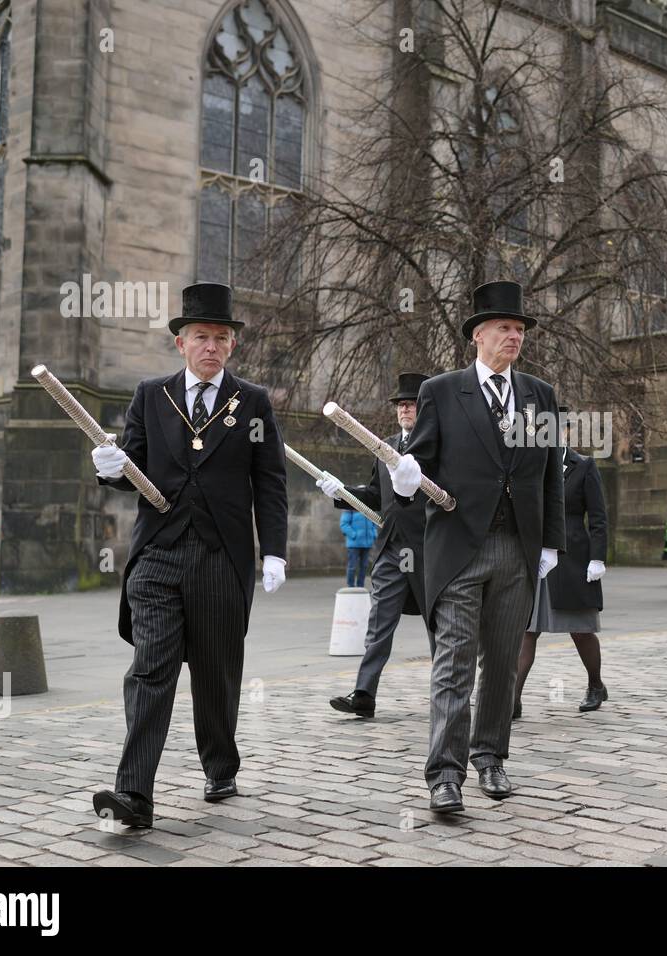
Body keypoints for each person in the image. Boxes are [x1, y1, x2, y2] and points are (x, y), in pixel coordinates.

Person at [89, 282, 289, 829]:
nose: (211, 347)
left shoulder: (252, 403)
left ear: (232, 346)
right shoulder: (151, 396)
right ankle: (134, 795)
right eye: (201, 336)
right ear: (181, 342)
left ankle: (219, 765)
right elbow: (129, 464)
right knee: (151, 670)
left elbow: (269, 481)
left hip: (222, 557)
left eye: (221, 338)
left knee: (216, 671)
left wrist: (274, 551)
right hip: (158, 554)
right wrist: (109, 468)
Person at [385, 280, 564, 814]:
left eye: (520, 329)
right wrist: (404, 477)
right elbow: (413, 468)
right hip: (459, 547)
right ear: (478, 336)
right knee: (454, 662)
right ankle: (445, 774)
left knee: (503, 662)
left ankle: (491, 757)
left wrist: (550, 542)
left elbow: (550, 475)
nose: (514, 336)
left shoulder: (540, 396)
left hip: (518, 549)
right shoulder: (441, 391)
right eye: (504, 328)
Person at [317, 372, 432, 719]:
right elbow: (375, 496)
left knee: (441, 624)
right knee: (379, 623)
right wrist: (342, 492)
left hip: (429, 548)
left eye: (410, 404)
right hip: (391, 548)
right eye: (400, 405)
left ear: (425, 408)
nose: (404, 410)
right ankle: (365, 692)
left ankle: (452, 691)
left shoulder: (437, 445)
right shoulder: (385, 446)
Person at [515, 406, 609, 718]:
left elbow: (597, 518)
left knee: (580, 629)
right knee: (526, 630)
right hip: (535, 558)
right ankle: (511, 699)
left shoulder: (583, 466)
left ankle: (595, 684)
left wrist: (597, 558)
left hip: (572, 559)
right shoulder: (530, 466)